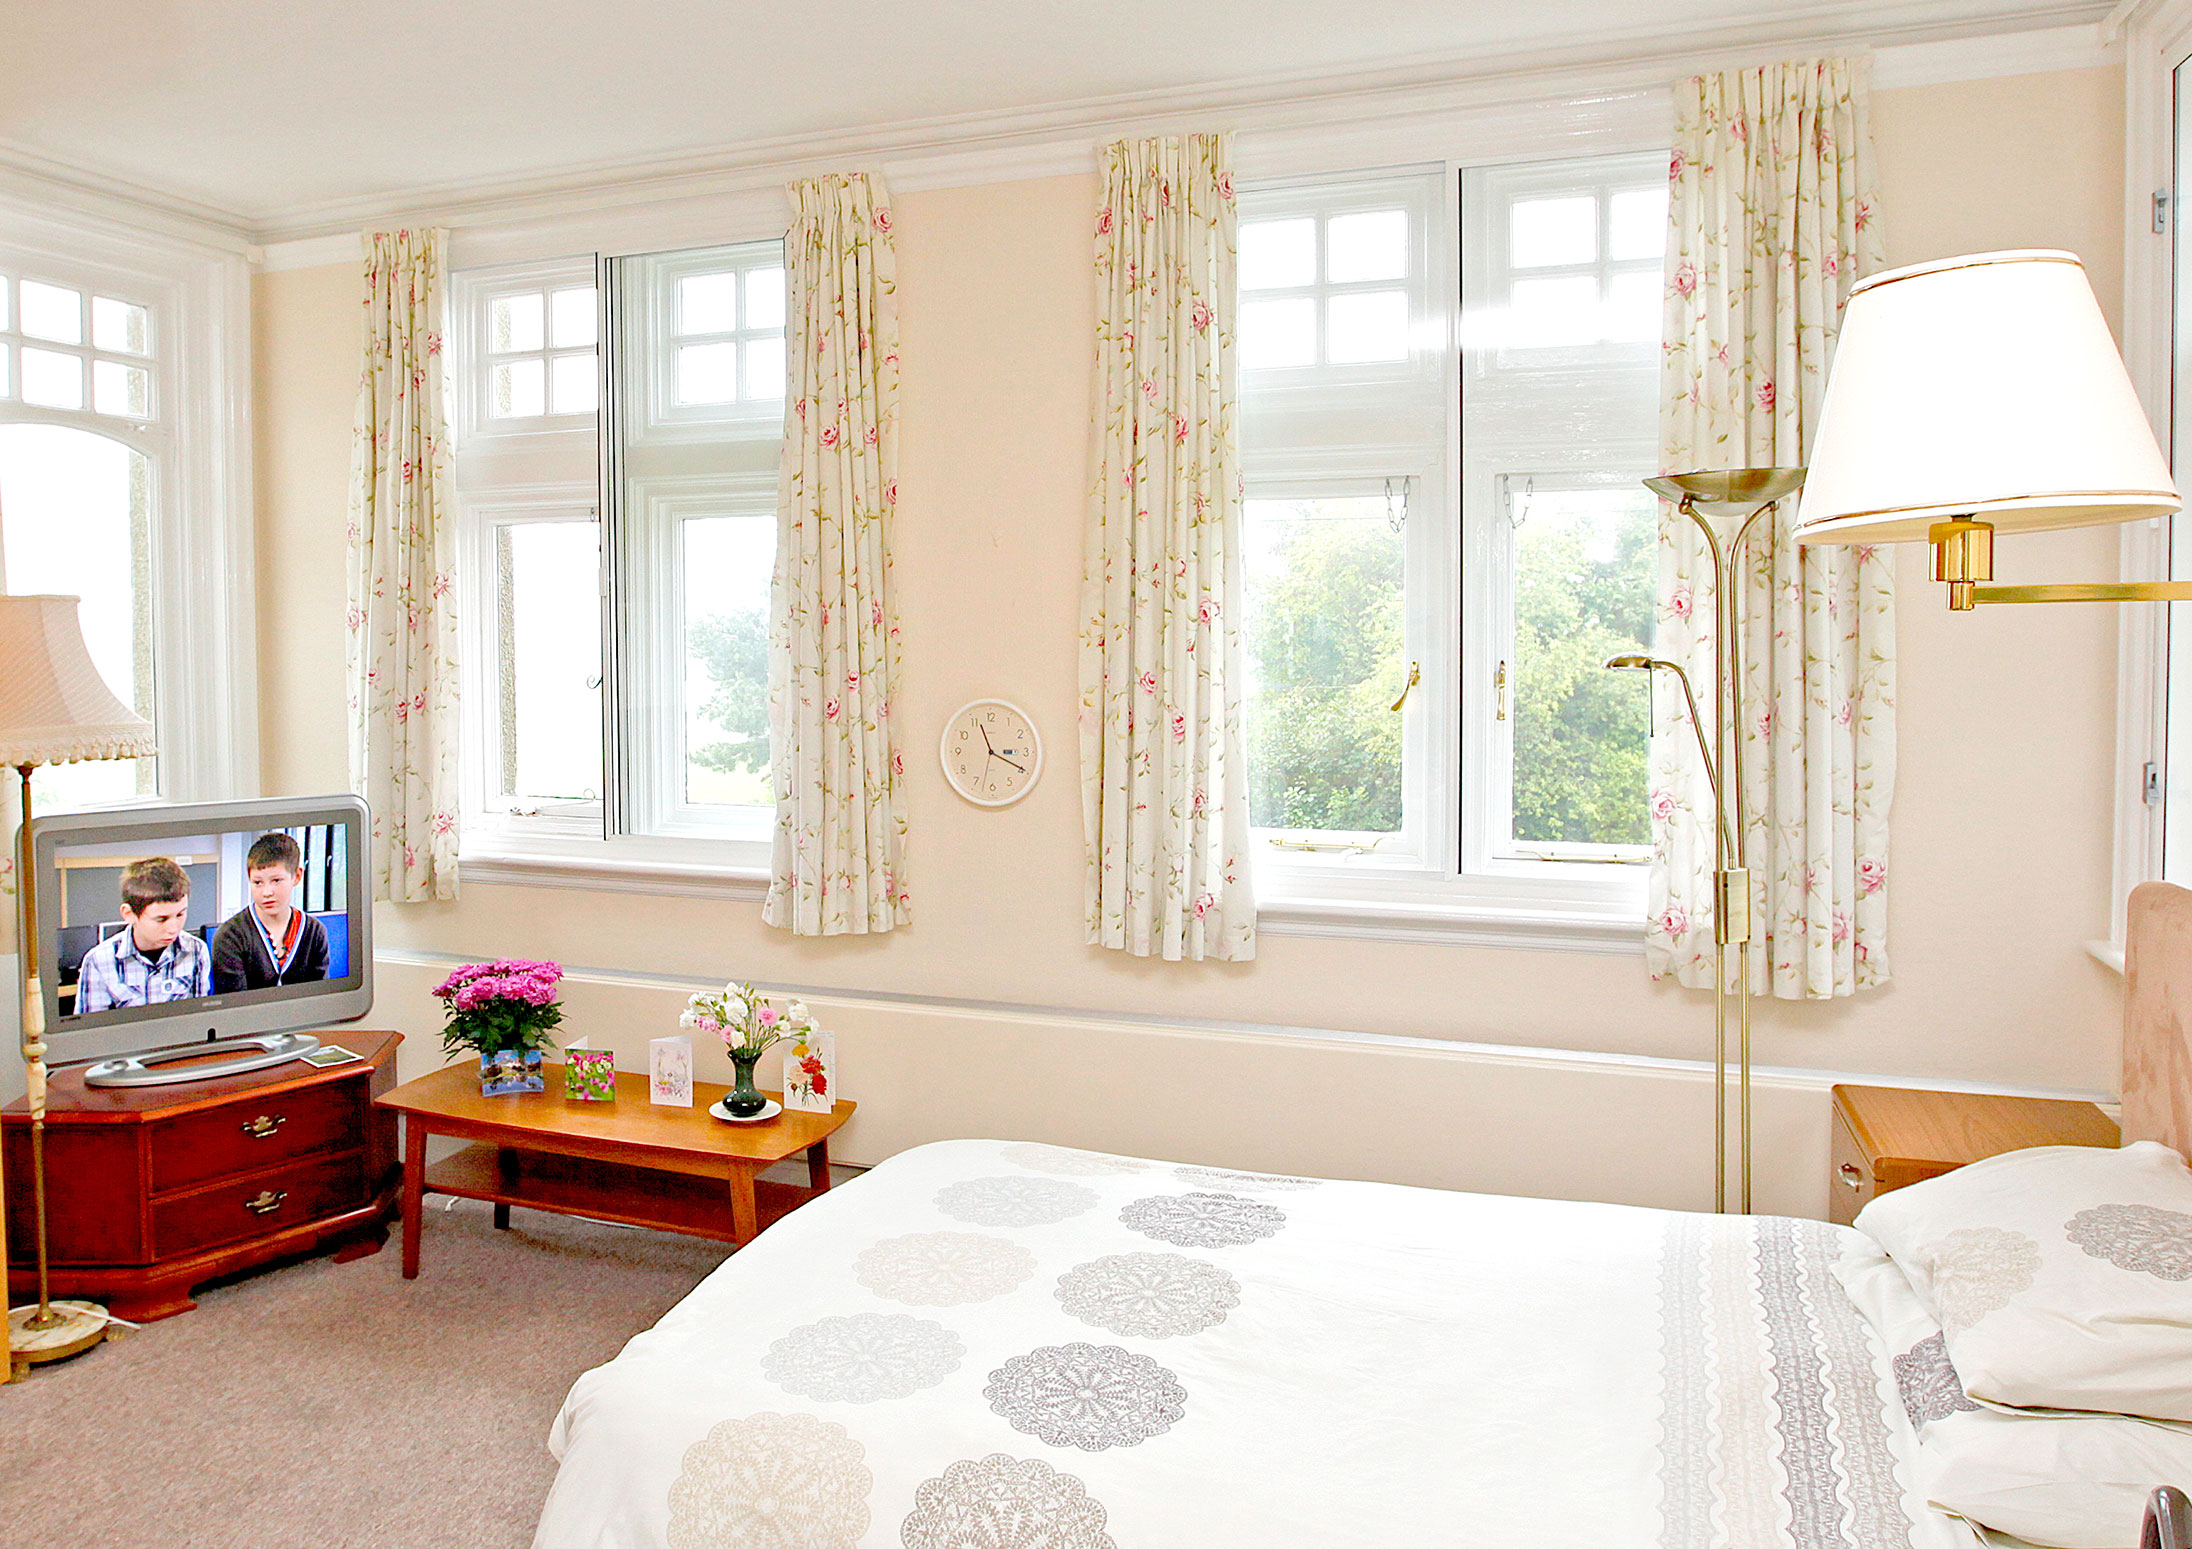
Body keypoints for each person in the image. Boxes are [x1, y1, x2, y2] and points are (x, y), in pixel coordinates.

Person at [73, 857, 213, 1014]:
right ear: (129, 914)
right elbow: (91, 1027)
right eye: (161, 919)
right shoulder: (98, 961)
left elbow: (199, 1017)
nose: (173, 929)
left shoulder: (196, 950)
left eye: (180, 915)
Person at [211, 832, 331, 994]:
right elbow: (234, 1004)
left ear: (297, 876)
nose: (266, 892)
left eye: (276, 881)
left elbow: (320, 996)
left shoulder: (314, 932)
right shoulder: (230, 936)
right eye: (257, 882)